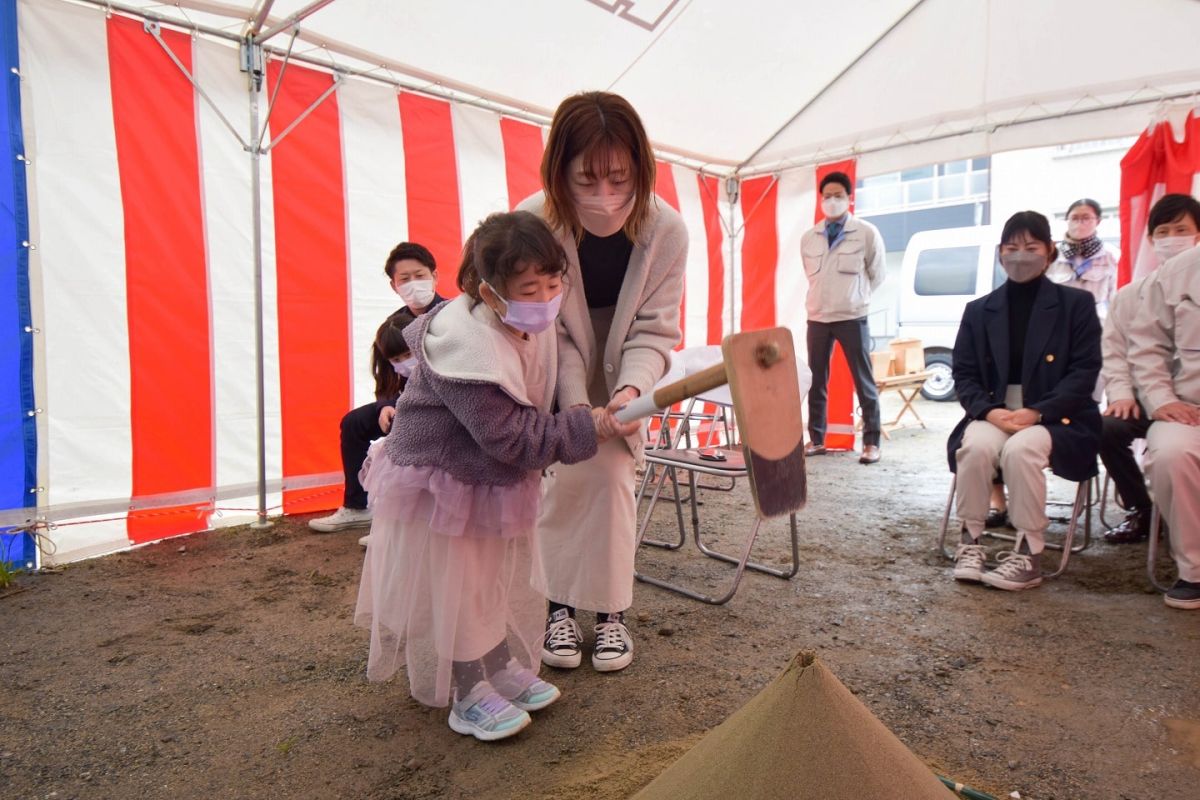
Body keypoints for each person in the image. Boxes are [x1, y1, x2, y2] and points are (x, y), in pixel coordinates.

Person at [354, 211, 633, 741]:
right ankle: (466, 692)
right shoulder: (466, 343)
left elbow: (536, 397)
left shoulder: (520, 321)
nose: (547, 298)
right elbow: (512, 437)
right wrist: (590, 426)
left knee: (491, 577)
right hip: (443, 482)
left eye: (554, 284)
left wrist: (597, 411)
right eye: (530, 288)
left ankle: (498, 665)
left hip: (482, 476)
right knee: (462, 583)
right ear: (489, 290)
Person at [521, 91, 687, 673]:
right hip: (552, 363)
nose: (605, 197)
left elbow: (655, 329)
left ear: (641, 169)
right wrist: (574, 412)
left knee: (613, 471)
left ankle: (611, 613)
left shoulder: (667, 230)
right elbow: (552, 334)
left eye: (619, 179)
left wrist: (628, 397)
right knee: (566, 475)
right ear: (557, 172)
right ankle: (558, 606)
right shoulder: (531, 222)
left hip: (626, 373)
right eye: (585, 180)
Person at [948, 211, 1102, 591]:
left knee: (1020, 451)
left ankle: (1029, 552)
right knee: (977, 447)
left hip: (1056, 414)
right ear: (1000, 253)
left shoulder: (1076, 304)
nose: (1021, 255)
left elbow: (1085, 372)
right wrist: (987, 411)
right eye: (1012, 247)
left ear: (1050, 252)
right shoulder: (979, 310)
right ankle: (970, 540)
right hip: (994, 409)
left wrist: (1040, 411)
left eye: (1031, 247)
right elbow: (963, 373)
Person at [309, 242, 444, 538]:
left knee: (407, 430)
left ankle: (401, 521)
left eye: (419, 275)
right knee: (355, 423)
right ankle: (358, 507)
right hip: (403, 400)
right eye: (404, 279)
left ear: (435, 275)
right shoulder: (393, 324)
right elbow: (385, 374)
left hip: (444, 405)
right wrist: (386, 403)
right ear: (394, 286)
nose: (413, 284)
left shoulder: (453, 317)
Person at [1099, 194, 1200, 542]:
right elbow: (1114, 352)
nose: (1172, 238)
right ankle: (1142, 510)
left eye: (1181, 230)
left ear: (1198, 235)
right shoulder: (1129, 295)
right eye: (1163, 231)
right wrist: (1122, 394)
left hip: (1192, 399)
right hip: (1145, 399)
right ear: (1152, 240)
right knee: (1105, 428)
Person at [1128, 204, 1200, 610]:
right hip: (1185, 408)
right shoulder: (1175, 276)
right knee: (1170, 454)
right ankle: (1194, 571)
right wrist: (1161, 400)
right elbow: (1146, 345)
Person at [800, 171, 887, 464]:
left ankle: (871, 443)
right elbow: (812, 277)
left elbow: (877, 274)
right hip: (818, 317)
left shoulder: (866, 232)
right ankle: (816, 439)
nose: (832, 201)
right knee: (816, 379)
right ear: (820, 199)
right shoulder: (809, 238)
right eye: (827, 196)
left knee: (863, 380)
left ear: (849, 198)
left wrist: (856, 297)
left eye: (838, 195)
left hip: (853, 316)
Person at [1047, 198, 1118, 316]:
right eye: (1074, 218)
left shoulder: (1110, 254)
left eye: (1086, 218)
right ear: (1067, 220)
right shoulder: (1053, 253)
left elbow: (1115, 297)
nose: (1080, 223)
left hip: (1095, 318)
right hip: (1059, 317)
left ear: (1098, 221)